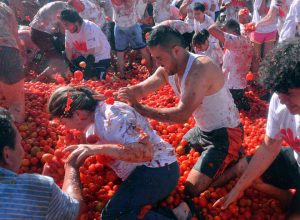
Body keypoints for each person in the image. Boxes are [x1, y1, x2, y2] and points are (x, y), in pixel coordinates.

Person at [118, 25, 243, 219]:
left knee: (192, 189)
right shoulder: (167, 69)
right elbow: (140, 90)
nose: (157, 63)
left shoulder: (200, 68)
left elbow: (181, 115)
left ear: (176, 50)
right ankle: (220, 160)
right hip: (201, 130)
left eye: (160, 58)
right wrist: (116, 98)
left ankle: (238, 165)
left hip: (225, 133)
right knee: (174, 154)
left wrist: (141, 109)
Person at [48, 86, 179, 220]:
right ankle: (170, 210)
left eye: (64, 123)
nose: (65, 127)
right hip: (140, 171)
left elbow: (146, 152)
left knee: (113, 217)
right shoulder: (92, 118)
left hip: (160, 170)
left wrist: (97, 149)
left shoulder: (114, 118)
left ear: (78, 114)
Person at [213, 39, 300, 220]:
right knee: (244, 170)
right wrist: (237, 190)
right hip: (294, 159)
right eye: (279, 93)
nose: (283, 100)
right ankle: (285, 196)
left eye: (289, 94)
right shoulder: (280, 101)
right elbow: (269, 147)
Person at [0, 107, 85, 219]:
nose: (22, 150)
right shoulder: (37, 186)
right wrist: (71, 167)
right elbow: (76, 209)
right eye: (20, 143)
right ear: (6, 154)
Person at [209, 19, 253, 111]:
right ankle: (241, 101)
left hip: (232, 84)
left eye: (225, 31)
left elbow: (211, 29)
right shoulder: (245, 38)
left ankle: (240, 103)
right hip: (239, 83)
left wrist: (219, 22)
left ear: (232, 32)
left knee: (227, 107)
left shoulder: (235, 40)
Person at [60, 9, 111, 80]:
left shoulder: (89, 28)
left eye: (66, 24)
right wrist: (68, 67)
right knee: (64, 73)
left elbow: (91, 55)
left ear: (76, 22)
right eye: (64, 25)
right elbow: (68, 49)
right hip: (84, 57)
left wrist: (86, 74)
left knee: (97, 80)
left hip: (100, 57)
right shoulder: (68, 31)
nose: (65, 28)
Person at [111, 0, 152, 79]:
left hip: (119, 26)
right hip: (132, 25)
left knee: (120, 53)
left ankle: (122, 76)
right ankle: (151, 72)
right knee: (142, 49)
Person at [29, 1, 68, 81]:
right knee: (59, 60)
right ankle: (36, 80)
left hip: (35, 31)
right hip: (43, 34)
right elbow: (62, 29)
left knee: (54, 56)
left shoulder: (57, 4)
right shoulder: (64, 8)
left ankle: (36, 76)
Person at [0, 3, 25, 123]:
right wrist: (21, 53)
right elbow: (15, 34)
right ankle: (13, 138)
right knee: (16, 103)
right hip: (6, 50)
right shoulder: (4, 8)